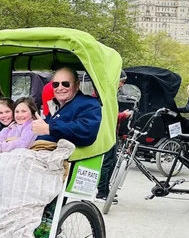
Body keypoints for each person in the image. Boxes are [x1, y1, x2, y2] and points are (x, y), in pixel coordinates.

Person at [32, 67, 102, 147]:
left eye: (65, 84)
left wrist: (49, 129)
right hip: (42, 150)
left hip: (64, 156)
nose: (60, 88)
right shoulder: (57, 107)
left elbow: (87, 131)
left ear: (77, 85)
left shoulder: (88, 104)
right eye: (56, 84)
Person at [96, 70, 134, 203]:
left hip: (112, 132)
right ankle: (101, 192)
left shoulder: (110, 93)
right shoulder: (105, 94)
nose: (122, 85)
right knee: (106, 163)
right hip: (106, 133)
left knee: (112, 161)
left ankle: (106, 190)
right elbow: (106, 114)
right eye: (121, 81)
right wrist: (123, 115)